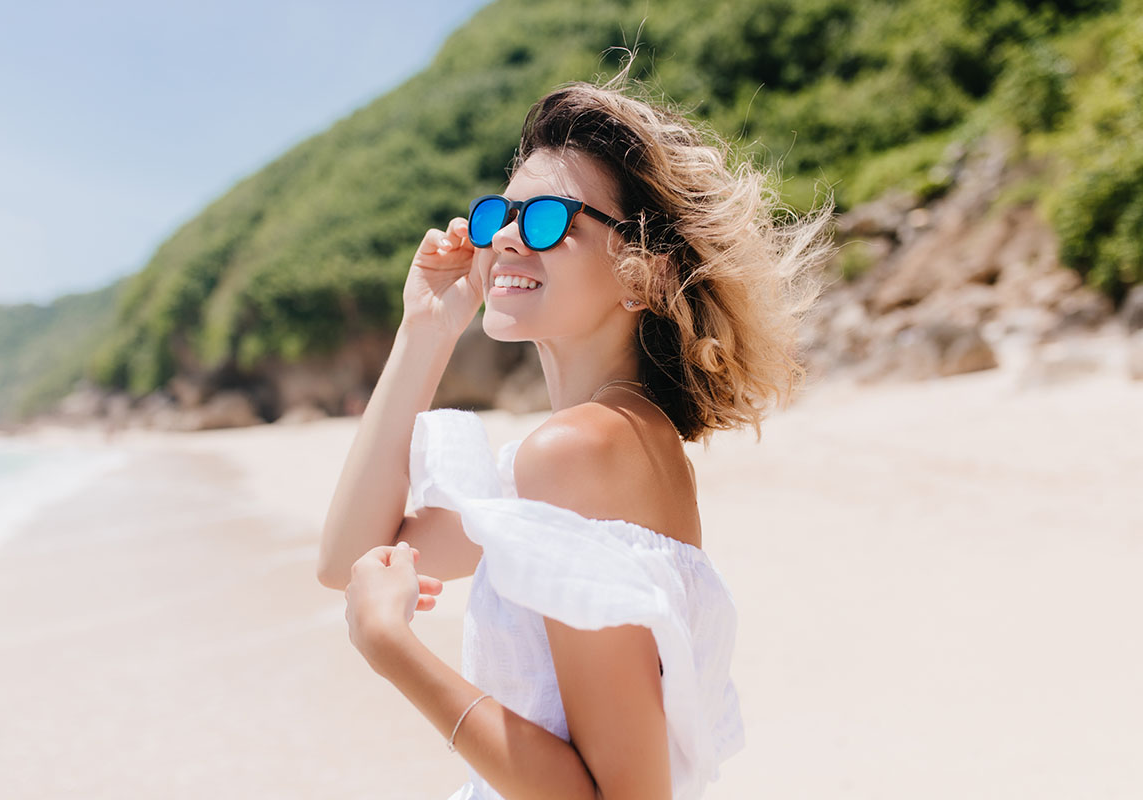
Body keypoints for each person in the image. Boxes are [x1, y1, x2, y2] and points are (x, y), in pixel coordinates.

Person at [318, 67, 835, 800]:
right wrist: (427, 329)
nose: (504, 240)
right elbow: (352, 559)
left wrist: (390, 646)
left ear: (643, 272)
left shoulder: (579, 454)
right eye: (503, 214)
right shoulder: (611, 446)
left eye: (549, 219)